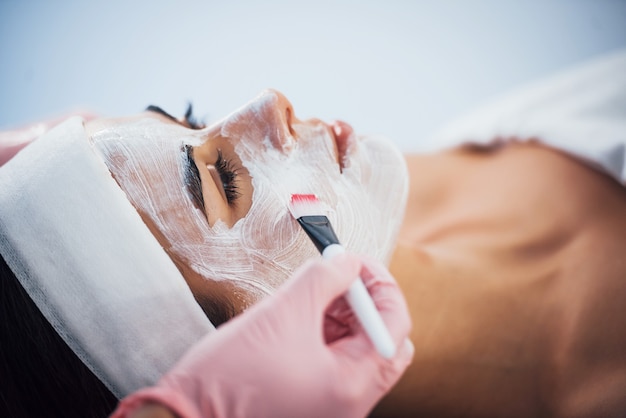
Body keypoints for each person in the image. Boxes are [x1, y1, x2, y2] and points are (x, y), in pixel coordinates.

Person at [3, 49, 626, 417]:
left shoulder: (468, 168)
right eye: (225, 179)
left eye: (187, 119)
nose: (269, 103)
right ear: (247, 346)